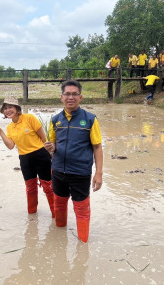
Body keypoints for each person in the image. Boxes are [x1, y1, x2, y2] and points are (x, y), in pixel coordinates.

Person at [44, 80, 103, 243]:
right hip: (58, 172)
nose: (71, 97)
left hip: (80, 173)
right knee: (59, 205)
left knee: (82, 209)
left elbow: (97, 147)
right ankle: (59, 238)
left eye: (74, 94)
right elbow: (53, 145)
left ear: (81, 97)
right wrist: (50, 147)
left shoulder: (90, 119)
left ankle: (83, 243)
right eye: (67, 94)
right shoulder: (55, 119)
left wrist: (98, 173)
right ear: (61, 97)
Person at [0, 96, 54, 217]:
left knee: (48, 186)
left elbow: (43, 137)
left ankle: (56, 214)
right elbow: (10, 145)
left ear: (17, 108)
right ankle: (32, 214)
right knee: (30, 188)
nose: (8, 110)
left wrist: (49, 152)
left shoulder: (29, 118)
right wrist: (0, 132)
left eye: (10, 107)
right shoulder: (9, 127)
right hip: (25, 159)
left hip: (40, 154)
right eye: (5, 108)